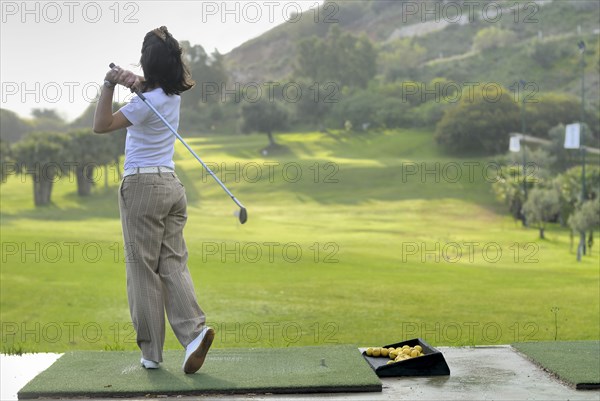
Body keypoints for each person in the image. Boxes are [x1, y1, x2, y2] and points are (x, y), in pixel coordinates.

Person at [93, 26, 213, 374]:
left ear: (148, 63)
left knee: (142, 270)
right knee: (172, 263)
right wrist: (135, 81)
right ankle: (194, 334)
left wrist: (109, 84)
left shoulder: (144, 105)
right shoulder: (169, 97)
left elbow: (101, 124)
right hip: (172, 187)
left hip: (142, 187)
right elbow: (151, 87)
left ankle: (151, 353)